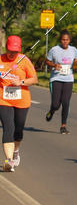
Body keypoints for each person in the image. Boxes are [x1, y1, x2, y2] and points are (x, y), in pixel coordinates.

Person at [0, 35, 38, 171]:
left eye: (15, 51)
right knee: (8, 128)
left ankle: (16, 151)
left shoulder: (24, 60)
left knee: (18, 130)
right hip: (3, 99)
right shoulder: (0, 59)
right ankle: (9, 161)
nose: (12, 54)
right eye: (10, 50)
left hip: (22, 100)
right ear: (6, 48)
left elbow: (34, 79)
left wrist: (21, 82)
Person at [45, 29, 77, 134]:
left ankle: (63, 126)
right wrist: (54, 65)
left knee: (66, 102)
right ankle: (52, 111)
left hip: (68, 79)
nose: (65, 42)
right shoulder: (54, 50)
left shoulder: (73, 50)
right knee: (56, 104)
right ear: (60, 40)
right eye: (63, 40)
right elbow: (47, 61)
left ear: (69, 40)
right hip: (56, 79)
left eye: (67, 40)